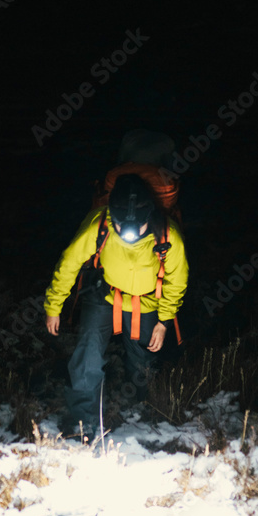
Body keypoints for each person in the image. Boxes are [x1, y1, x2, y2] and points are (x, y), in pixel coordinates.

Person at [44, 173, 189, 440]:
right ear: (113, 217)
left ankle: (141, 412)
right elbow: (69, 263)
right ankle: (83, 421)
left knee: (143, 360)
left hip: (146, 301)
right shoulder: (99, 224)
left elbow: (176, 281)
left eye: (138, 227)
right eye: (121, 226)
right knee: (87, 354)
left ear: (149, 217)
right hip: (105, 294)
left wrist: (163, 321)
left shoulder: (168, 236)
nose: (129, 233)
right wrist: (54, 305)